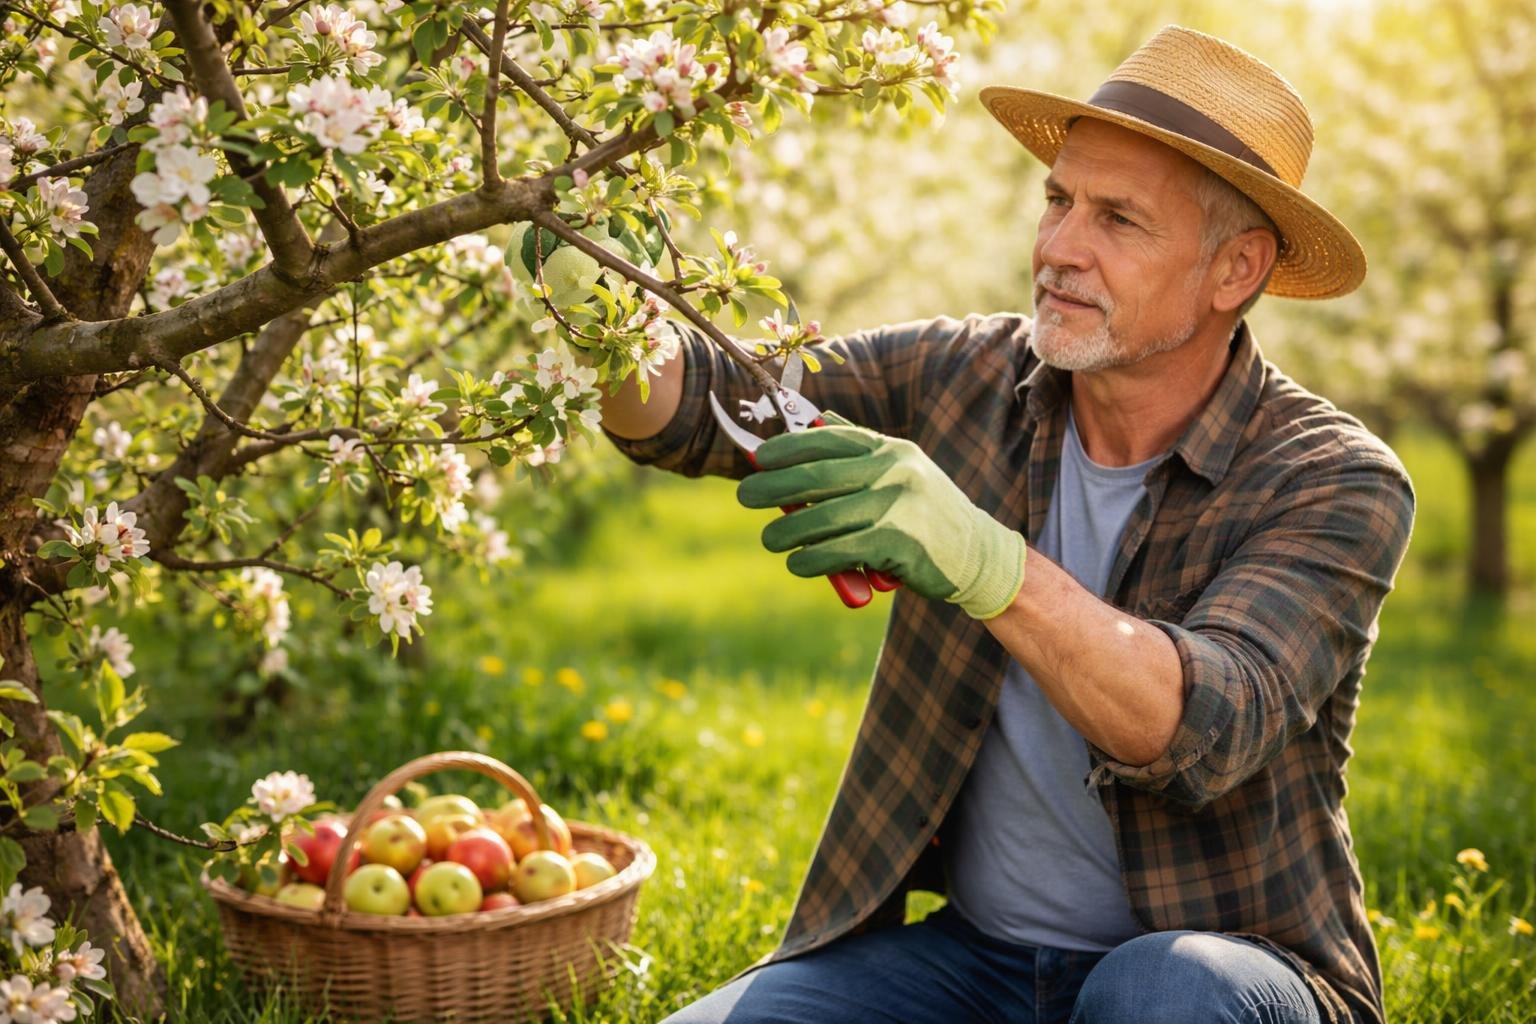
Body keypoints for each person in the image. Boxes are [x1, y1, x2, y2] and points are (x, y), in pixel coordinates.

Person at [594, 24, 1415, 1024]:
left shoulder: (1334, 478)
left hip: (1222, 971)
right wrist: (603, 309)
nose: (1059, 249)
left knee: (1157, 992)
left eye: (1118, 219)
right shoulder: (965, 373)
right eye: (1058, 201)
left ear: (1234, 269)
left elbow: (1202, 730)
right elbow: (700, 405)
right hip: (974, 963)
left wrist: (982, 560)